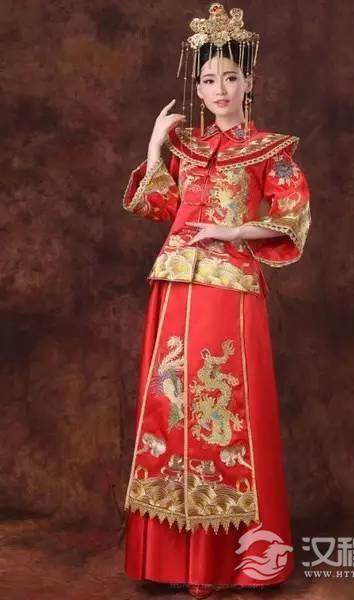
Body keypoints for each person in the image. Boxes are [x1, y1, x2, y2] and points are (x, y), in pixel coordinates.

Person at [121, 3, 311, 597]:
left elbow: (291, 219)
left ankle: (222, 562)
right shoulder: (186, 147)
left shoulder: (270, 150)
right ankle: (170, 560)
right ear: (198, 88)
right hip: (175, 286)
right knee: (168, 410)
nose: (220, 89)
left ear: (248, 81)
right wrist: (156, 146)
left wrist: (230, 231)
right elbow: (158, 207)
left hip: (229, 290)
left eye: (231, 77)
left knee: (220, 406)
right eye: (209, 79)